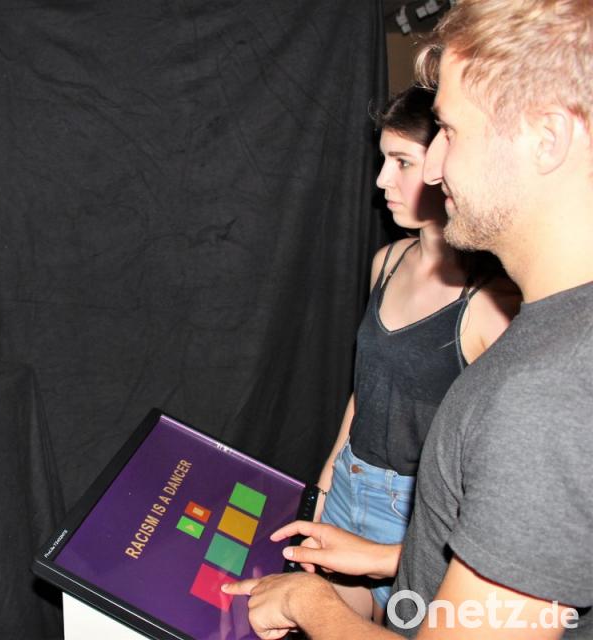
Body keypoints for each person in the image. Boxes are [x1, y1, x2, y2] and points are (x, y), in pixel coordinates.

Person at [222, 0, 593, 637]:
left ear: (547, 138)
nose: (436, 168)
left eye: (451, 130)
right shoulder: (557, 345)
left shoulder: (548, 393)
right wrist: (380, 557)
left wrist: (304, 603)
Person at [315, 84, 519, 621]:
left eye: (402, 161)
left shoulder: (492, 303)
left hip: (419, 512)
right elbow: (365, 388)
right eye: (384, 160)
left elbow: (502, 459)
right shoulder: (385, 261)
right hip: (350, 481)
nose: (382, 179)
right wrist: (329, 477)